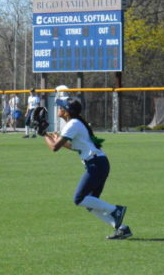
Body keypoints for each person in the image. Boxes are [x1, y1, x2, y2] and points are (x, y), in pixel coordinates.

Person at [44, 98, 132, 240]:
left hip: (96, 164)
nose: (58, 109)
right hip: (99, 163)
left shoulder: (72, 124)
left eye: (61, 107)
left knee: (79, 199)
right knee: (90, 202)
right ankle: (122, 228)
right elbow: (74, 147)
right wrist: (51, 137)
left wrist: (43, 134)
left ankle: (115, 210)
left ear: (67, 111)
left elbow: (54, 148)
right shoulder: (76, 123)